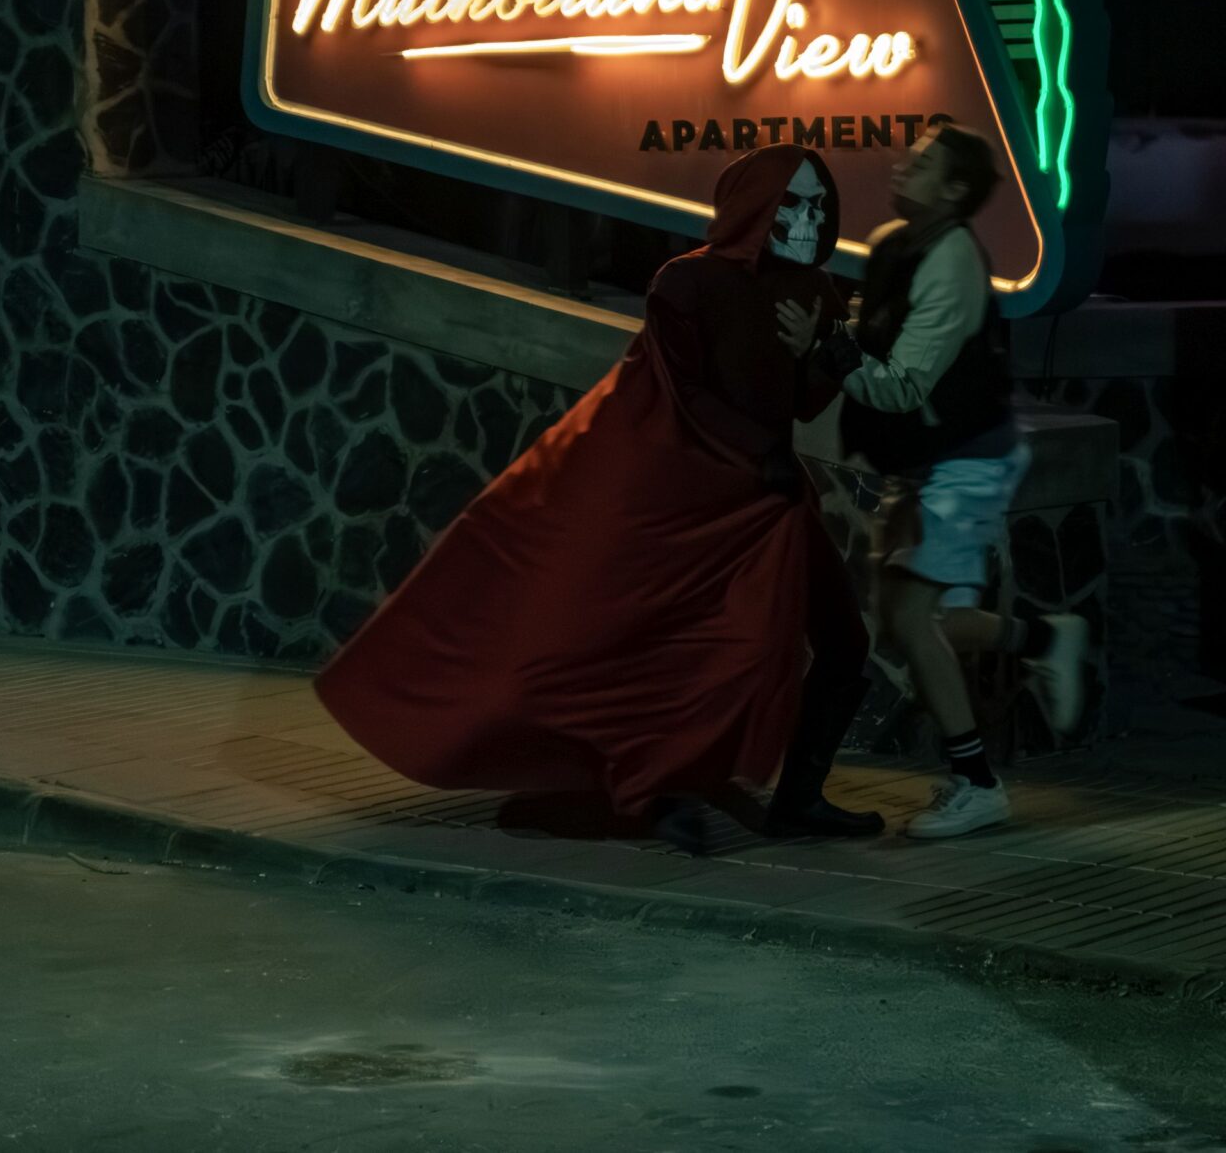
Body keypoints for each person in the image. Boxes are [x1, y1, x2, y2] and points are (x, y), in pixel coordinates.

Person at [314, 145, 879, 854]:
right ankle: (665, 790)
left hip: (767, 498)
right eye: (793, 202)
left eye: (820, 204)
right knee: (677, 642)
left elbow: (793, 400)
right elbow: (682, 391)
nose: (810, 218)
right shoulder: (690, 281)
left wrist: (826, 358)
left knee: (843, 639)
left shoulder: (810, 290)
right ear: (756, 205)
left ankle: (795, 799)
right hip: (687, 498)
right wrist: (761, 444)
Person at [784, 125, 1087, 840]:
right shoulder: (896, 243)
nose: (903, 166)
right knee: (920, 621)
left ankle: (978, 784)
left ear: (954, 190)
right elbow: (876, 333)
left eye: (922, 164)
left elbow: (903, 383)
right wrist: (838, 335)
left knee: (914, 619)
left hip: (964, 463)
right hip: (929, 462)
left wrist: (825, 349)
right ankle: (1045, 639)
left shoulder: (951, 262)